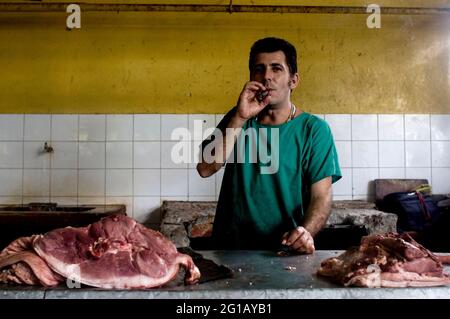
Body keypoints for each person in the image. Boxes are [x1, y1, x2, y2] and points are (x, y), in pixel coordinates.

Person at [197, 37, 342, 253]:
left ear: (293, 80)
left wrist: (306, 232)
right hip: (231, 250)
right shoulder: (237, 118)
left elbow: (321, 196)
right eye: (259, 69)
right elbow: (206, 168)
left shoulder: (314, 129)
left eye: (276, 69)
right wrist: (240, 117)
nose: (266, 76)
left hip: (285, 251)